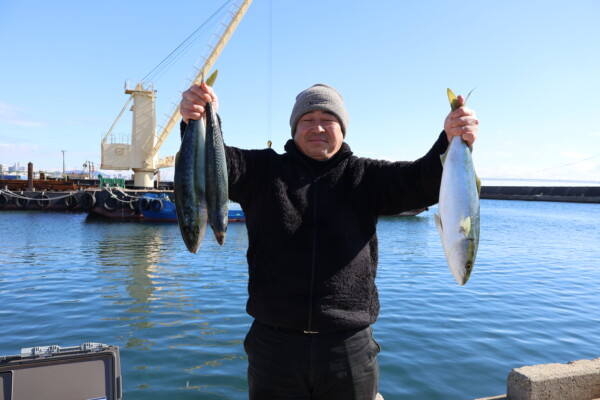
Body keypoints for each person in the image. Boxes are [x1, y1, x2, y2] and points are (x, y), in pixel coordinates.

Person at [179, 82, 478, 400]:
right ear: (294, 128)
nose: (317, 127)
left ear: (343, 128)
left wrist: (450, 139)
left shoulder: (367, 177)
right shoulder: (262, 171)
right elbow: (213, 165)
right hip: (274, 347)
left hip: (348, 348)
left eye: (328, 119)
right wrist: (194, 119)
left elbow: (422, 182)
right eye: (307, 119)